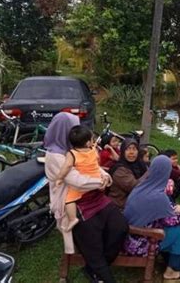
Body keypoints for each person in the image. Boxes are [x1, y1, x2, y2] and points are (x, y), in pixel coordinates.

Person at [44, 112, 127, 283]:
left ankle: (93, 268)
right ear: (64, 131)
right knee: (93, 243)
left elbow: (92, 166)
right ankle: (102, 274)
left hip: (96, 197)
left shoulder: (78, 149)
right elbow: (77, 181)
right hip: (74, 203)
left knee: (120, 227)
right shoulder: (56, 156)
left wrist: (105, 174)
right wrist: (101, 181)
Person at [124, 155, 180, 281]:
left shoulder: (143, 186)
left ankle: (172, 262)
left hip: (129, 238)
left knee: (174, 230)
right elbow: (171, 220)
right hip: (139, 245)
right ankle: (172, 271)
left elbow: (170, 207)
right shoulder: (157, 196)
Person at [55, 125, 104, 232]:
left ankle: (72, 219)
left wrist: (59, 178)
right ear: (87, 143)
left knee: (68, 199)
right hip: (96, 178)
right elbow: (97, 160)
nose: (93, 141)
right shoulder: (93, 150)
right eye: (92, 139)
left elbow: (67, 166)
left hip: (84, 181)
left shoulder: (72, 154)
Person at [108, 138, 149, 210]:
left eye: (134, 149)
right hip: (120, 207)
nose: (131, 152)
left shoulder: (140, 164)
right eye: (128, 149)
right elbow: (135, 187)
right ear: (123, 151)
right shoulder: (120, 170)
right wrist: (150, 172)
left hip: (135, 202)